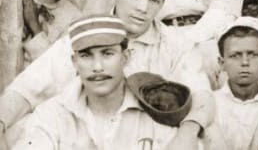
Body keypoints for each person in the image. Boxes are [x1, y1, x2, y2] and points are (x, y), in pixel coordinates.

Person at [0, 0, 213, 148]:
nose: (143, 8)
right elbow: (28, 88)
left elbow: (203, 97)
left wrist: (186, 136)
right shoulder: (86, 35)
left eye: (154, 0)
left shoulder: (176, 45)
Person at [14, 15, 200, 150]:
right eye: (86, 56)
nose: (97, 67)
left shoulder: (156, 110)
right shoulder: (53, 115)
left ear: (125, 58)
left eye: (107, 54)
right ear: (74, 62)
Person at [204, 17, 258, 149]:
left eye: (253, 54)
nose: (245, 62)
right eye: (235, 55)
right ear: (221, 63)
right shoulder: (209, 103)